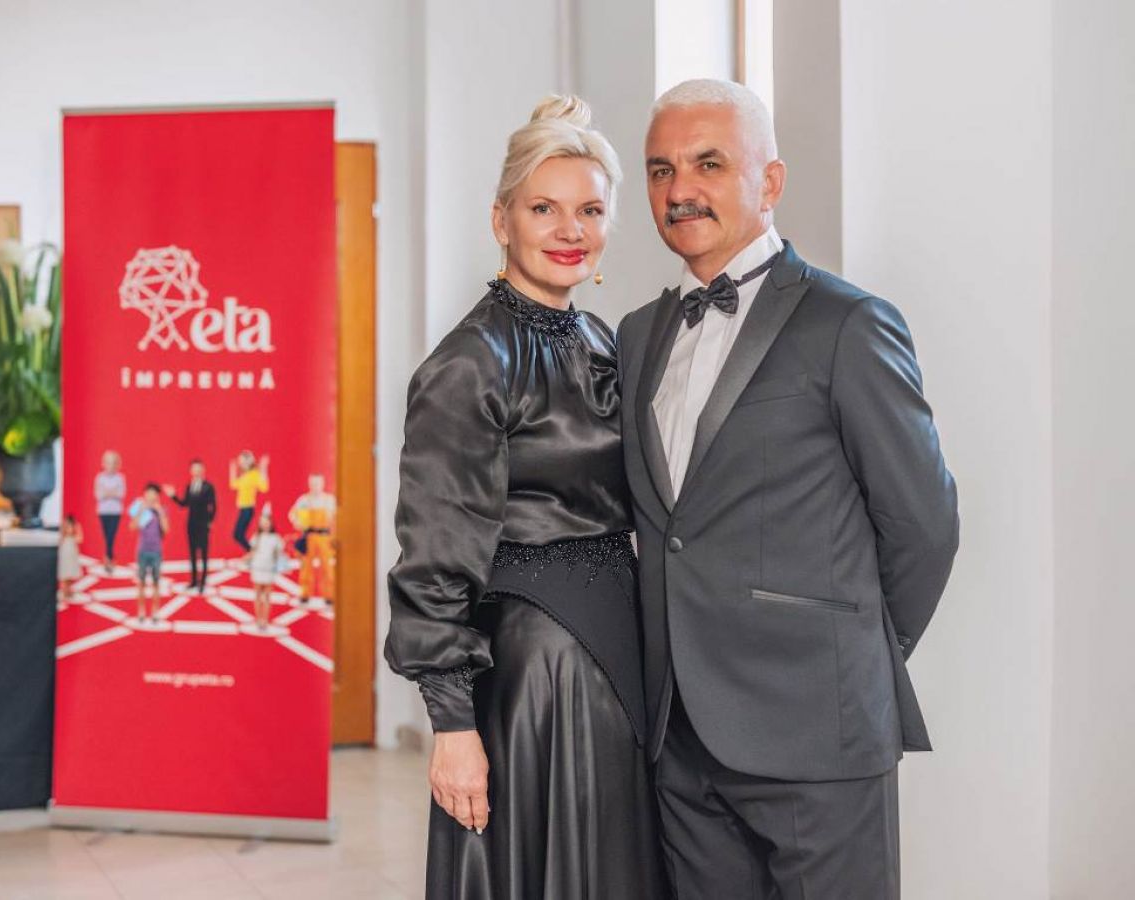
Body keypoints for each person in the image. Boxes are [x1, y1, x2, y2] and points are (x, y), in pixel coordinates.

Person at [617, 78, 960, 899]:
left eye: (708, 163)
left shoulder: (849, 324)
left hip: (818, 731)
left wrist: (851, 655)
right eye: (661, 170)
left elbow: (924, 525)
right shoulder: (635, 336)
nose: (680, 188)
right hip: (679, 738)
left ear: (769, 182)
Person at [385, 96, 664, 899]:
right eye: (544, 208)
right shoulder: (471, 362)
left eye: (590, 211)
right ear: (500, 219)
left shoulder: (602, 341)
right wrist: (452, 725)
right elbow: (434, 556)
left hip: (618, 656)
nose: (569, 230)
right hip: (537, 677)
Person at [165, 458, 217, 593]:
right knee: (193, 553)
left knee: (204, 553)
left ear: (203, 470)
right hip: (191, 524)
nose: (197, 471)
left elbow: (213, 506)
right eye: (194, 469)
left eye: (199, 469)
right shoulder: (190, 486)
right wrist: (173, 496)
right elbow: (184, 504)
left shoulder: (208, 487)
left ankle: (203, 581)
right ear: (191, 471)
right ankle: (194, 581)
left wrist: (210, 521)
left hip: (203, 524)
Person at [288, 474, 336, 605]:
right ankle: (305, 593)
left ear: (322, 484)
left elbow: (337, 517)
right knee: (306, 567)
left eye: (317, 483)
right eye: (313, 483)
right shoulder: (304, 500)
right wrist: (298, 523)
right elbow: (292, 514)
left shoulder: (329, 500)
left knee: (327, 567)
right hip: (309, 536)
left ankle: (329, 595)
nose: (315, 486)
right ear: (309, 484)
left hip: (325, 537)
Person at [128, 483, 170, 622]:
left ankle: (155, 611)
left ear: (157, 496)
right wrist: (141, 511)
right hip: (142, 550)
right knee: (141, 582)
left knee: (156, 582)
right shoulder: (140, 509)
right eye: (148, 493)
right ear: (145, 495)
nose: (151, 496)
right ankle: (141, 611)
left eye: (154, 494)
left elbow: (166, 530)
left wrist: (160, 512)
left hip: (156, 551)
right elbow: (132, 527)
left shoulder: (161, 510)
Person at [248, 508, 285, 629]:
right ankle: (258, 619)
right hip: (258, 568)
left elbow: (279, 554)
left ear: (271, 523)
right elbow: (252, 552)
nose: (265, 524)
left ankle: (265, 620)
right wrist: (245, 559)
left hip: (268, 569)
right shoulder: (256, 537)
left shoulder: (276, 538)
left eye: (267, 522)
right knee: (258, 595)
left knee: (267, 596)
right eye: (262, 522)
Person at [229, 450, 268, 553]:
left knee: (238, 535)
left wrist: (264, 468)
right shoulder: (245, 475)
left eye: (242, 462)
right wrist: (232, 469)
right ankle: (252, 552)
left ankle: (252, 552)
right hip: (243, 509)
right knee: (237, 535)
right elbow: (233, 485)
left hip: (248, 509)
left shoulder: (254, 474)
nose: (241, 464)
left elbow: (264, 488)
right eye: (240, 462)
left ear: (249, 461)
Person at [93, 450, 125, 573]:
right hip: (103, 511)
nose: (110, 465)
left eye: (113, 463)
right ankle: (110, 558)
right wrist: (112, 492)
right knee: (107, 537)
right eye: (108, 462)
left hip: (116, 511)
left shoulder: (120, 478)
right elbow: (98, 495)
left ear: (117, 464)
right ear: (103, 463)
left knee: (111, 536)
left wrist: (107, 492)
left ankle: (108, 560)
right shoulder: (99, 477)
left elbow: (121, 494)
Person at [57, 514, 84, 603]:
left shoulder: (74, 536)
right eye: (67, 525)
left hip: (72, 552)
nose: (68, 527)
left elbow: (80, 539)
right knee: (65, 572)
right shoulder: (63, 535)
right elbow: (59, 541)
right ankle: (65, 591)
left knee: (71, 572)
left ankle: (68, 590)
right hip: (64, 551)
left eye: (70, 525)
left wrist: (77, 528)